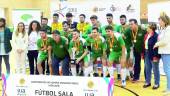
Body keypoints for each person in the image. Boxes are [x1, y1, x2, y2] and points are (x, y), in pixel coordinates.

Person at [154, 12, 170, 95]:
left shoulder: (168, 29)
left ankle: (169, 88)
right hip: (164, 52)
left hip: (167, 52)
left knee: (167, 71)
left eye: (159, 21)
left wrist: (156, 44)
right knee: (167, 70)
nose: (159, 22)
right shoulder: (164, 29)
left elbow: (165, 41)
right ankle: (168, 87)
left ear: (164, 21)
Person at [143, 23, 160, 90]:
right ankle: (148, 82)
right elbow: (144, 45)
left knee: (155, 69)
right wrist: (143, 53)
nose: (146, 28)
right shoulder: (147, 35)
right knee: (147, 68)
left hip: (153, 53)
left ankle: (156, 83)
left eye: (148, 27)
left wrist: (156, 56)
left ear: (151, 28)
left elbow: (157, 47)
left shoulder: (156, 36)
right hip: (147, 53)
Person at [117, 15, 133, 80]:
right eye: (120, 19)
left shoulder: (129, 27)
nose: (121, 21)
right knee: (124, 60)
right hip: (122, 46)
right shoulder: (118, 27)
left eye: (123, 19)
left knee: (130, 61)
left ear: (125, 20)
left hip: (129, 45)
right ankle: (127, 74)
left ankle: (130, 72)